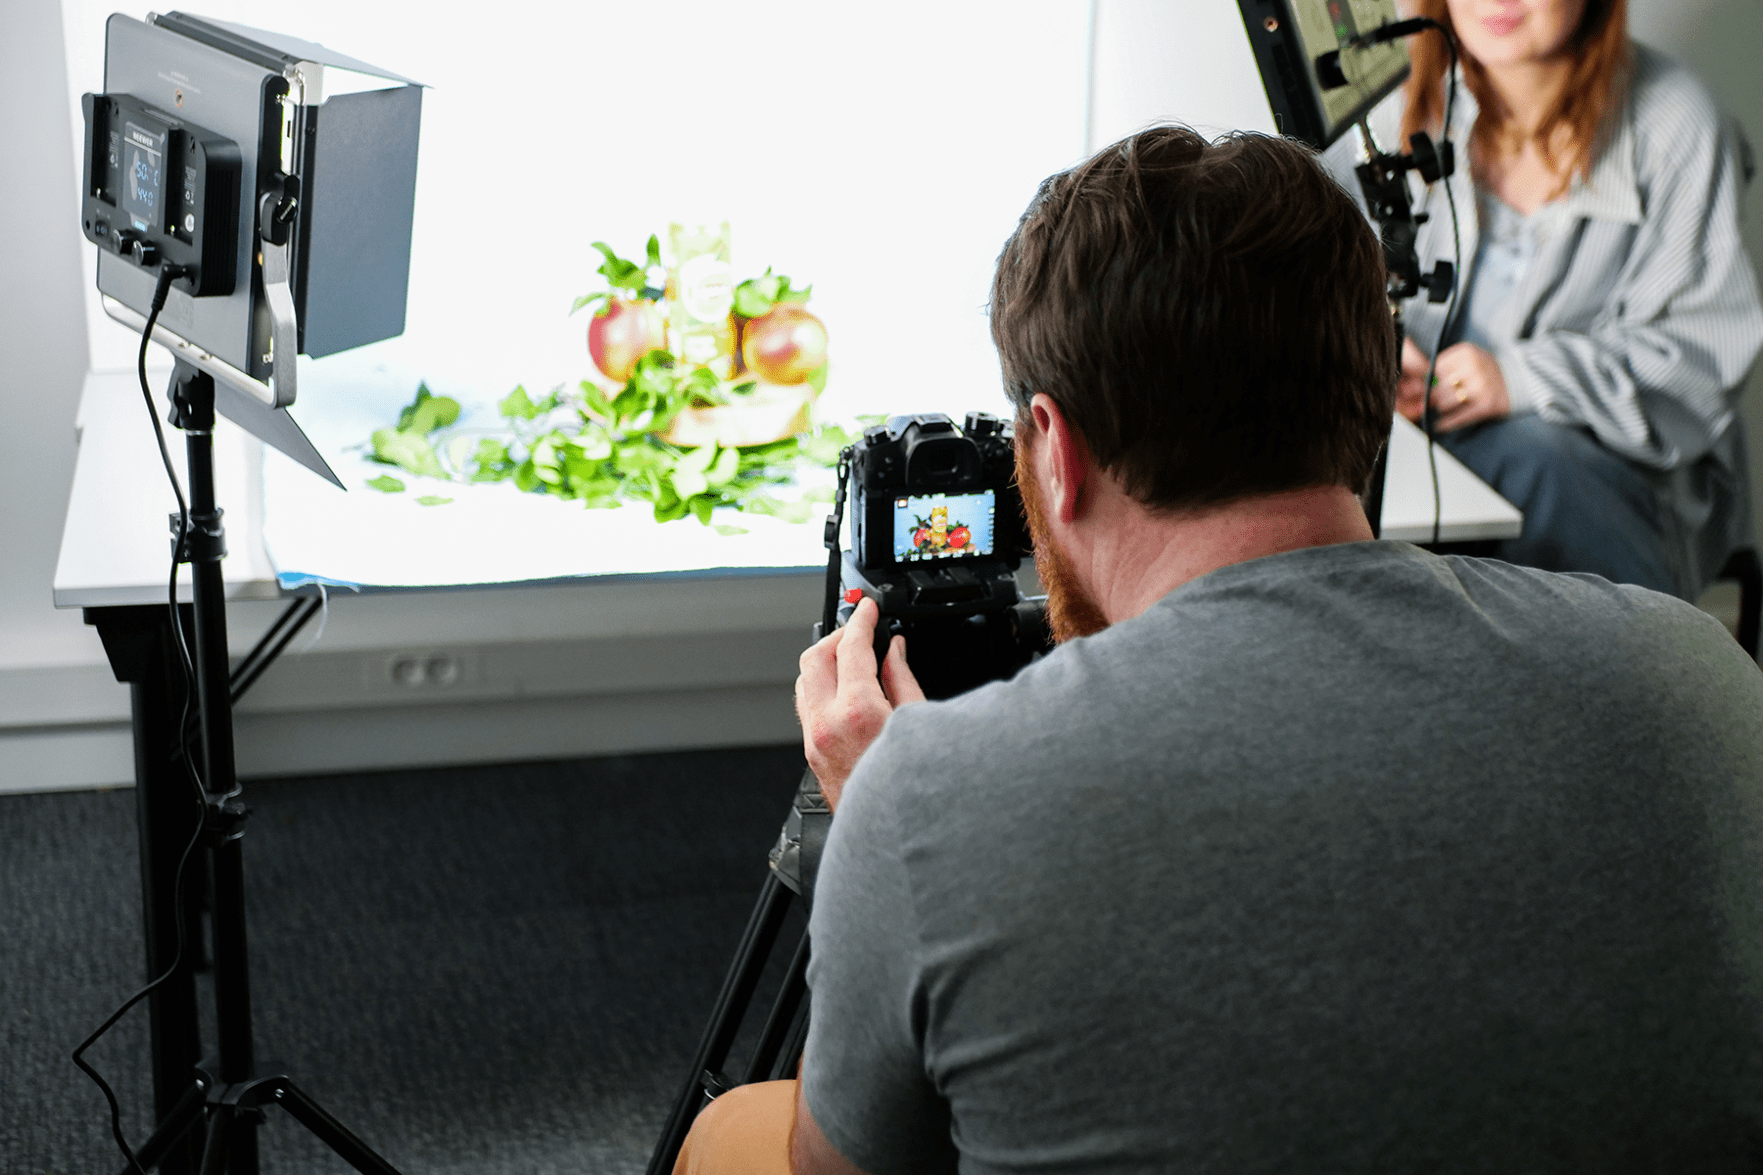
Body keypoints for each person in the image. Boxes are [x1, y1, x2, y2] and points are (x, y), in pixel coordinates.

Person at [674, 127, 1763, 1175]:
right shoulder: (1698, 671)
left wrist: (882, 822)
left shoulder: (925, 799)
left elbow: (840, 1165)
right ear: (1366, 398)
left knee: (734, 1134)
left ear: (1054, 449)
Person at [1391, 0, 1763, 599]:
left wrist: (1519, 380)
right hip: (1436, 462)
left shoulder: (1680, 123)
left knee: (1526, 460)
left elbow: (1698, 359)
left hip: (1610, 482)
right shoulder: (1401, 105)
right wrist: (1376, 347)